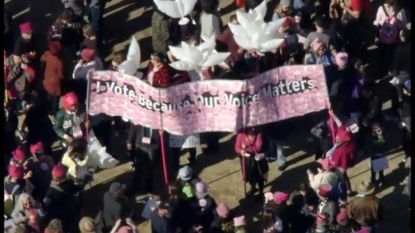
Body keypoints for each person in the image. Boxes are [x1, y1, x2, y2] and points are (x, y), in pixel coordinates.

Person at [43, 163, 83, 232]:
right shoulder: (69, 182)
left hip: (63, 215)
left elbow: (47, 205)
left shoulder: (50, 191)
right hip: (69, 213)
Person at [126, 124, 163, 195]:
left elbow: (167, 127)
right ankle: (135, 187)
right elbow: (133, 126)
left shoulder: (159, 114)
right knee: (138, 167)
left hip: (153, 145)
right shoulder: (140, 113)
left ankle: (147, 187)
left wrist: (163, 133)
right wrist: (130, 140)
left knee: (150, 168)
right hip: (140, 144)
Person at [235, 127, 269, 200]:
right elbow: (237, 147)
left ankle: (261, 192)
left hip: (258, 158)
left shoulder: (259, 134)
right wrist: (241, 150)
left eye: (253, 128)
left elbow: (258, 147)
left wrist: (247, 147)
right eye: (250, 129)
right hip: (246, 159)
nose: (252, 130)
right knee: (250, 175)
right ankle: (253, 188)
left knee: (260, 176)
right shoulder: (241, 134)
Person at [328, 110, 355, 195]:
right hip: (340, 160)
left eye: (338, 138)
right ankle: (348, 190)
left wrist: (330, 157)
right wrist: (333, 114)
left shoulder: (343, 150)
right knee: (344, 176)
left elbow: (337, 162)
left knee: (342, 178)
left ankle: (346, 191)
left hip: (341, 165)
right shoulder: (344, 133)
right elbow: (340, 124)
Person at [41, 41, 64, 116]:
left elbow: (42, 59)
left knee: (49, 97)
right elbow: (61, 75)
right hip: (55, 83)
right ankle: (55, 113)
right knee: (55, 100)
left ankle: (48, 111)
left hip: (47, 78)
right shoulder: (59, 61)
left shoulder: (47, 54)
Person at [368, 123, 387, 188]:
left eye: (381, 130)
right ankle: (373, 180)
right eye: (378, 131)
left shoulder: (384, 136)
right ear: (374, 131)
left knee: (381, 169)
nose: (380, 132)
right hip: (375, 156)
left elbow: (386, 144)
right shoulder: (372, 138)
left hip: (382, 155)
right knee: (374, 170)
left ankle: (381, 177)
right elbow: (370, 147)